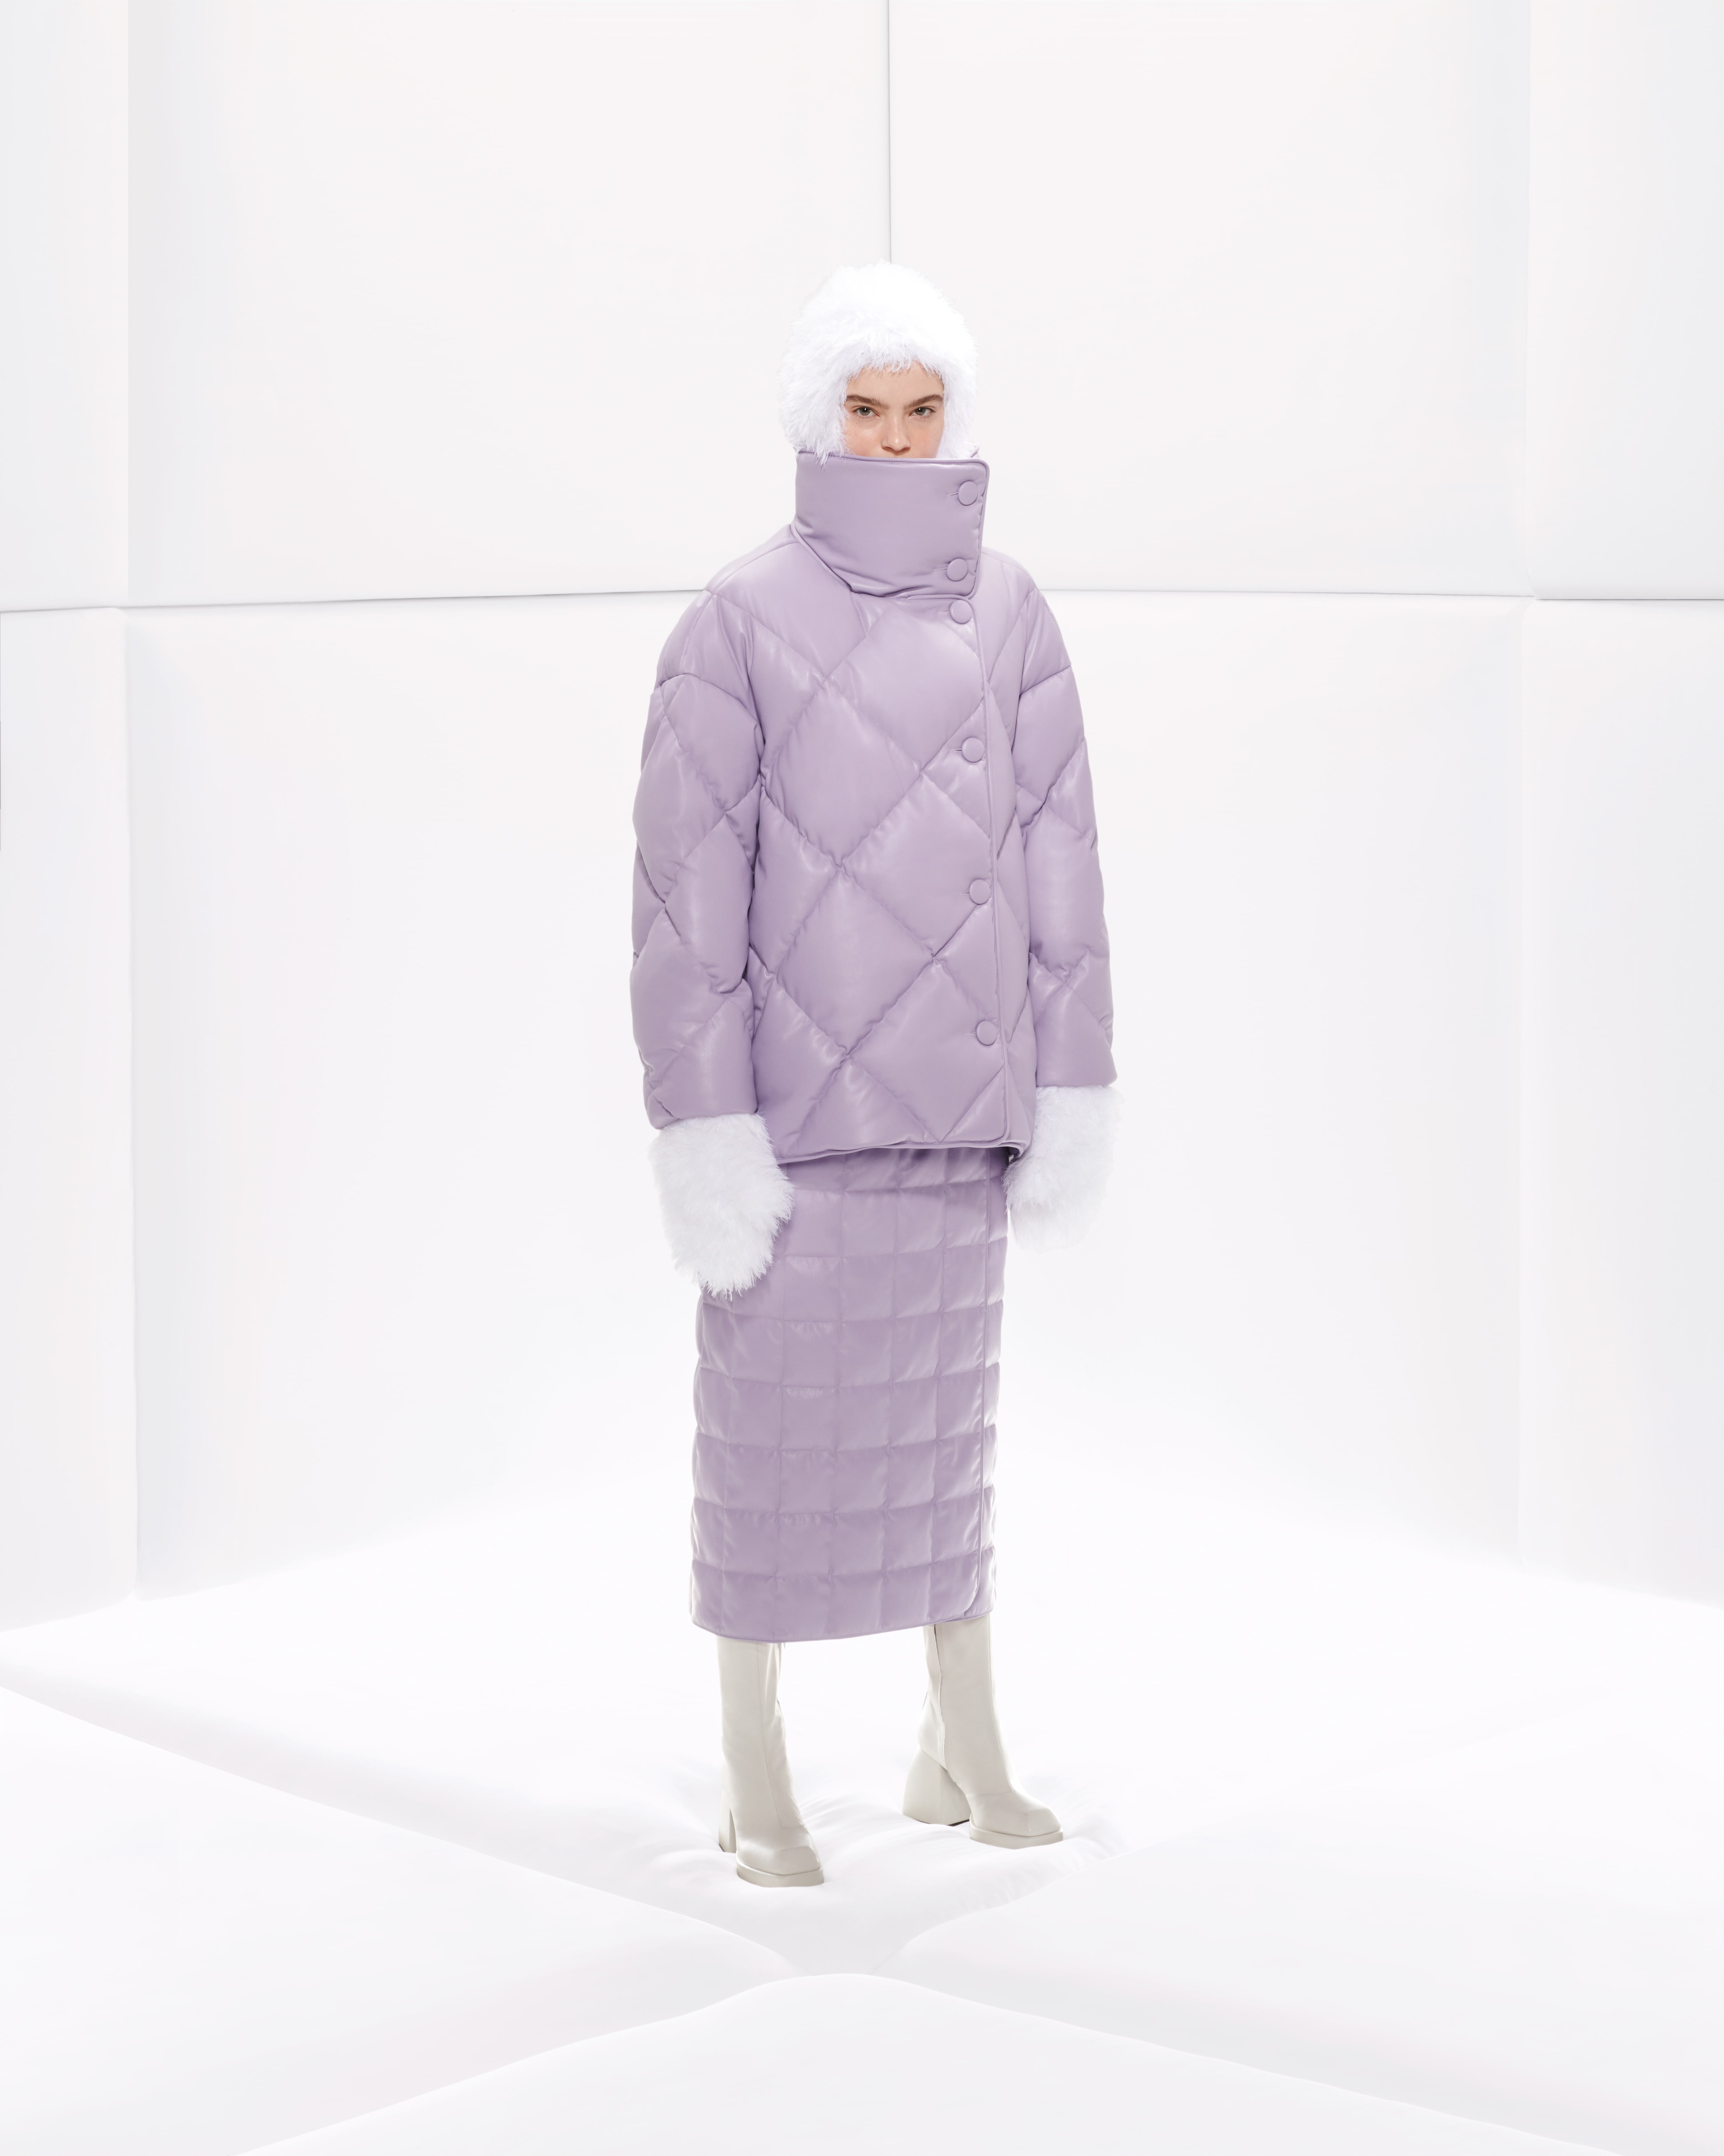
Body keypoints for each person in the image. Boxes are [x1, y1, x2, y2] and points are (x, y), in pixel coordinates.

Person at [630, 263, 1117, 1888]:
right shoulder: (737, 617)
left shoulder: (1015, 610)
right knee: (771, 1446)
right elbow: (686, 895)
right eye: (865, 409)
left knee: (943, 1442)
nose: (896, 441)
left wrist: (1071, 1081)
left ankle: (954, 1740)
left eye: (922, 410)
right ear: (817, 415)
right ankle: (753, 1761)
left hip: (961, 1107)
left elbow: (1061, 863)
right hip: (803, 1119)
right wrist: (705, 1125)